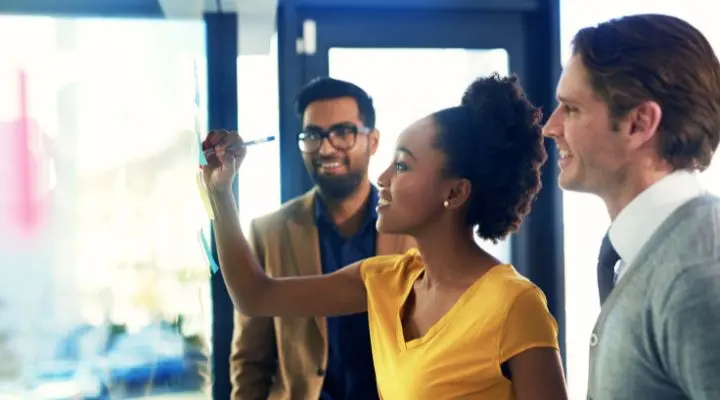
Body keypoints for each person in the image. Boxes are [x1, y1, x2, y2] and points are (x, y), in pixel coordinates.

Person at [208, 73, 567, 399]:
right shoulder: (387, 280)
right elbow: (256, 296)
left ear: (455, 193)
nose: (382, 179)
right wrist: (222, 192)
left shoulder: (515, 304)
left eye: (402, 165)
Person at [543, 13, 720, 400]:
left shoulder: (698, 272)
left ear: (640, 123)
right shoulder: (648, 253)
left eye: (571, 109)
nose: (550, 127)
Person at [229, 77, 415, 400]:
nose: (326, 148)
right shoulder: (269, 232)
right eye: (313, 135)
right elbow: (250, 361)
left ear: (372, 142)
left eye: (343, 133)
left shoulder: (414, 230)